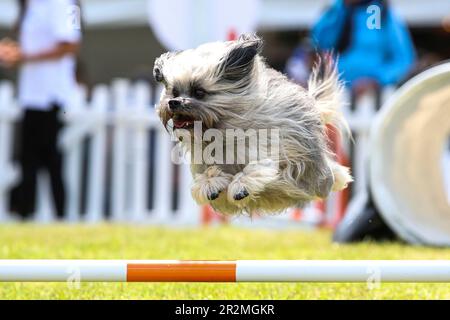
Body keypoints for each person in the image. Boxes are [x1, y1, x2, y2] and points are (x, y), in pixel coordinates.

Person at [0, 0, 82, 220]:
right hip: (33, 94)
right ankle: (38, 213)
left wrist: (25, 57)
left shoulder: (64, 4)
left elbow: (70, 44)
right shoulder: (32, 5)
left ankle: (51, 214)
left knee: (44, 160)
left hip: (51, 95)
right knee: (36, 159)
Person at [311, 0, 416, 97]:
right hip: (336, 95)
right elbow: (319, 41)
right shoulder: (337, 9)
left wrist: (376, 80)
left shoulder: (381, 13)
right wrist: (341, 8)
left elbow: (403, 59)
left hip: (374, 100)